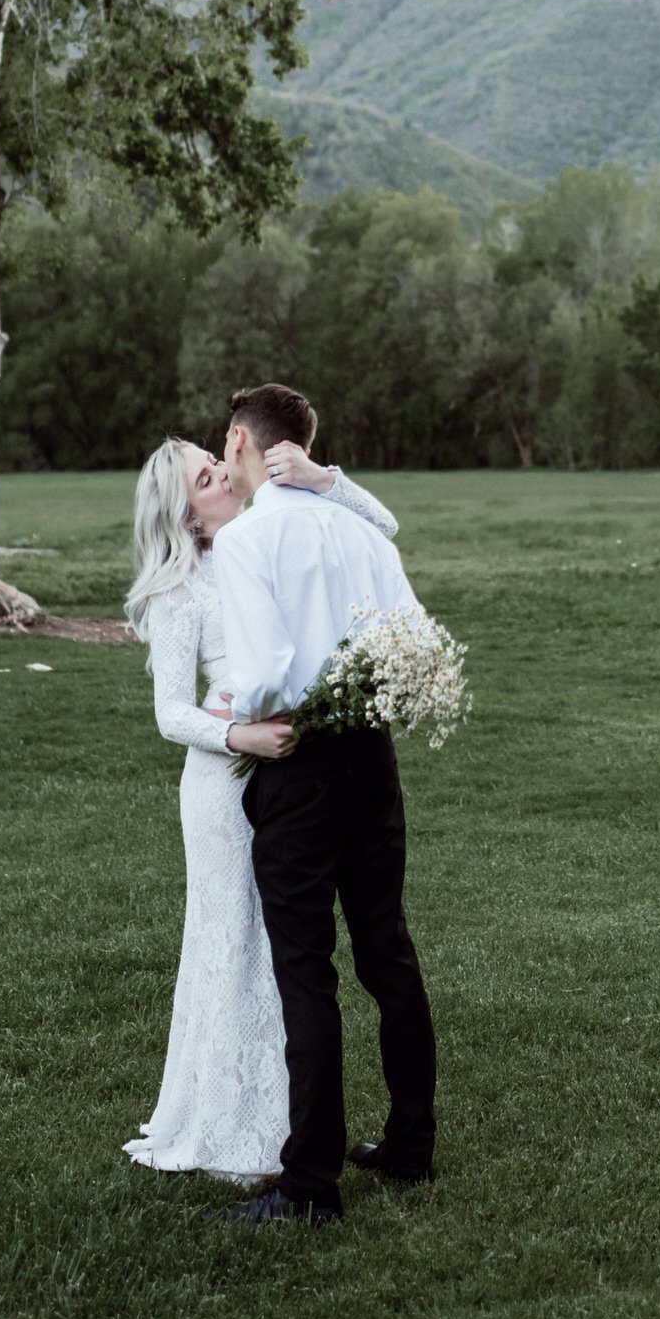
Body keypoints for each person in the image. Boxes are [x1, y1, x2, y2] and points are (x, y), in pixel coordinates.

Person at [122, 432, 398, 1186]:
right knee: (233, 944)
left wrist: (325, 476)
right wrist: (240, 733)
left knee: (283, 953)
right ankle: (232, 1120)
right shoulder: (180, 590)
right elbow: (170, 712)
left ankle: (289, 1120)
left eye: (216, 460)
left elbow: (380, 530)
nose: (223, 474)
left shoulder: (262, 539)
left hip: (289, 781)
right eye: (206, 476)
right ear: (185, 514)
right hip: (223, 787)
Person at [215, 381, 438, 1227]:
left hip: (300, 758)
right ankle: (411, 1146)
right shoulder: (358, 528)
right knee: (388, 953)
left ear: (241, 440)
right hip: (372, 757)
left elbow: (267, 665)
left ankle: (309, 1185)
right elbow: (411, 635)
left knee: (304, 970)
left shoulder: (248, 539)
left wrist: (237, 728)